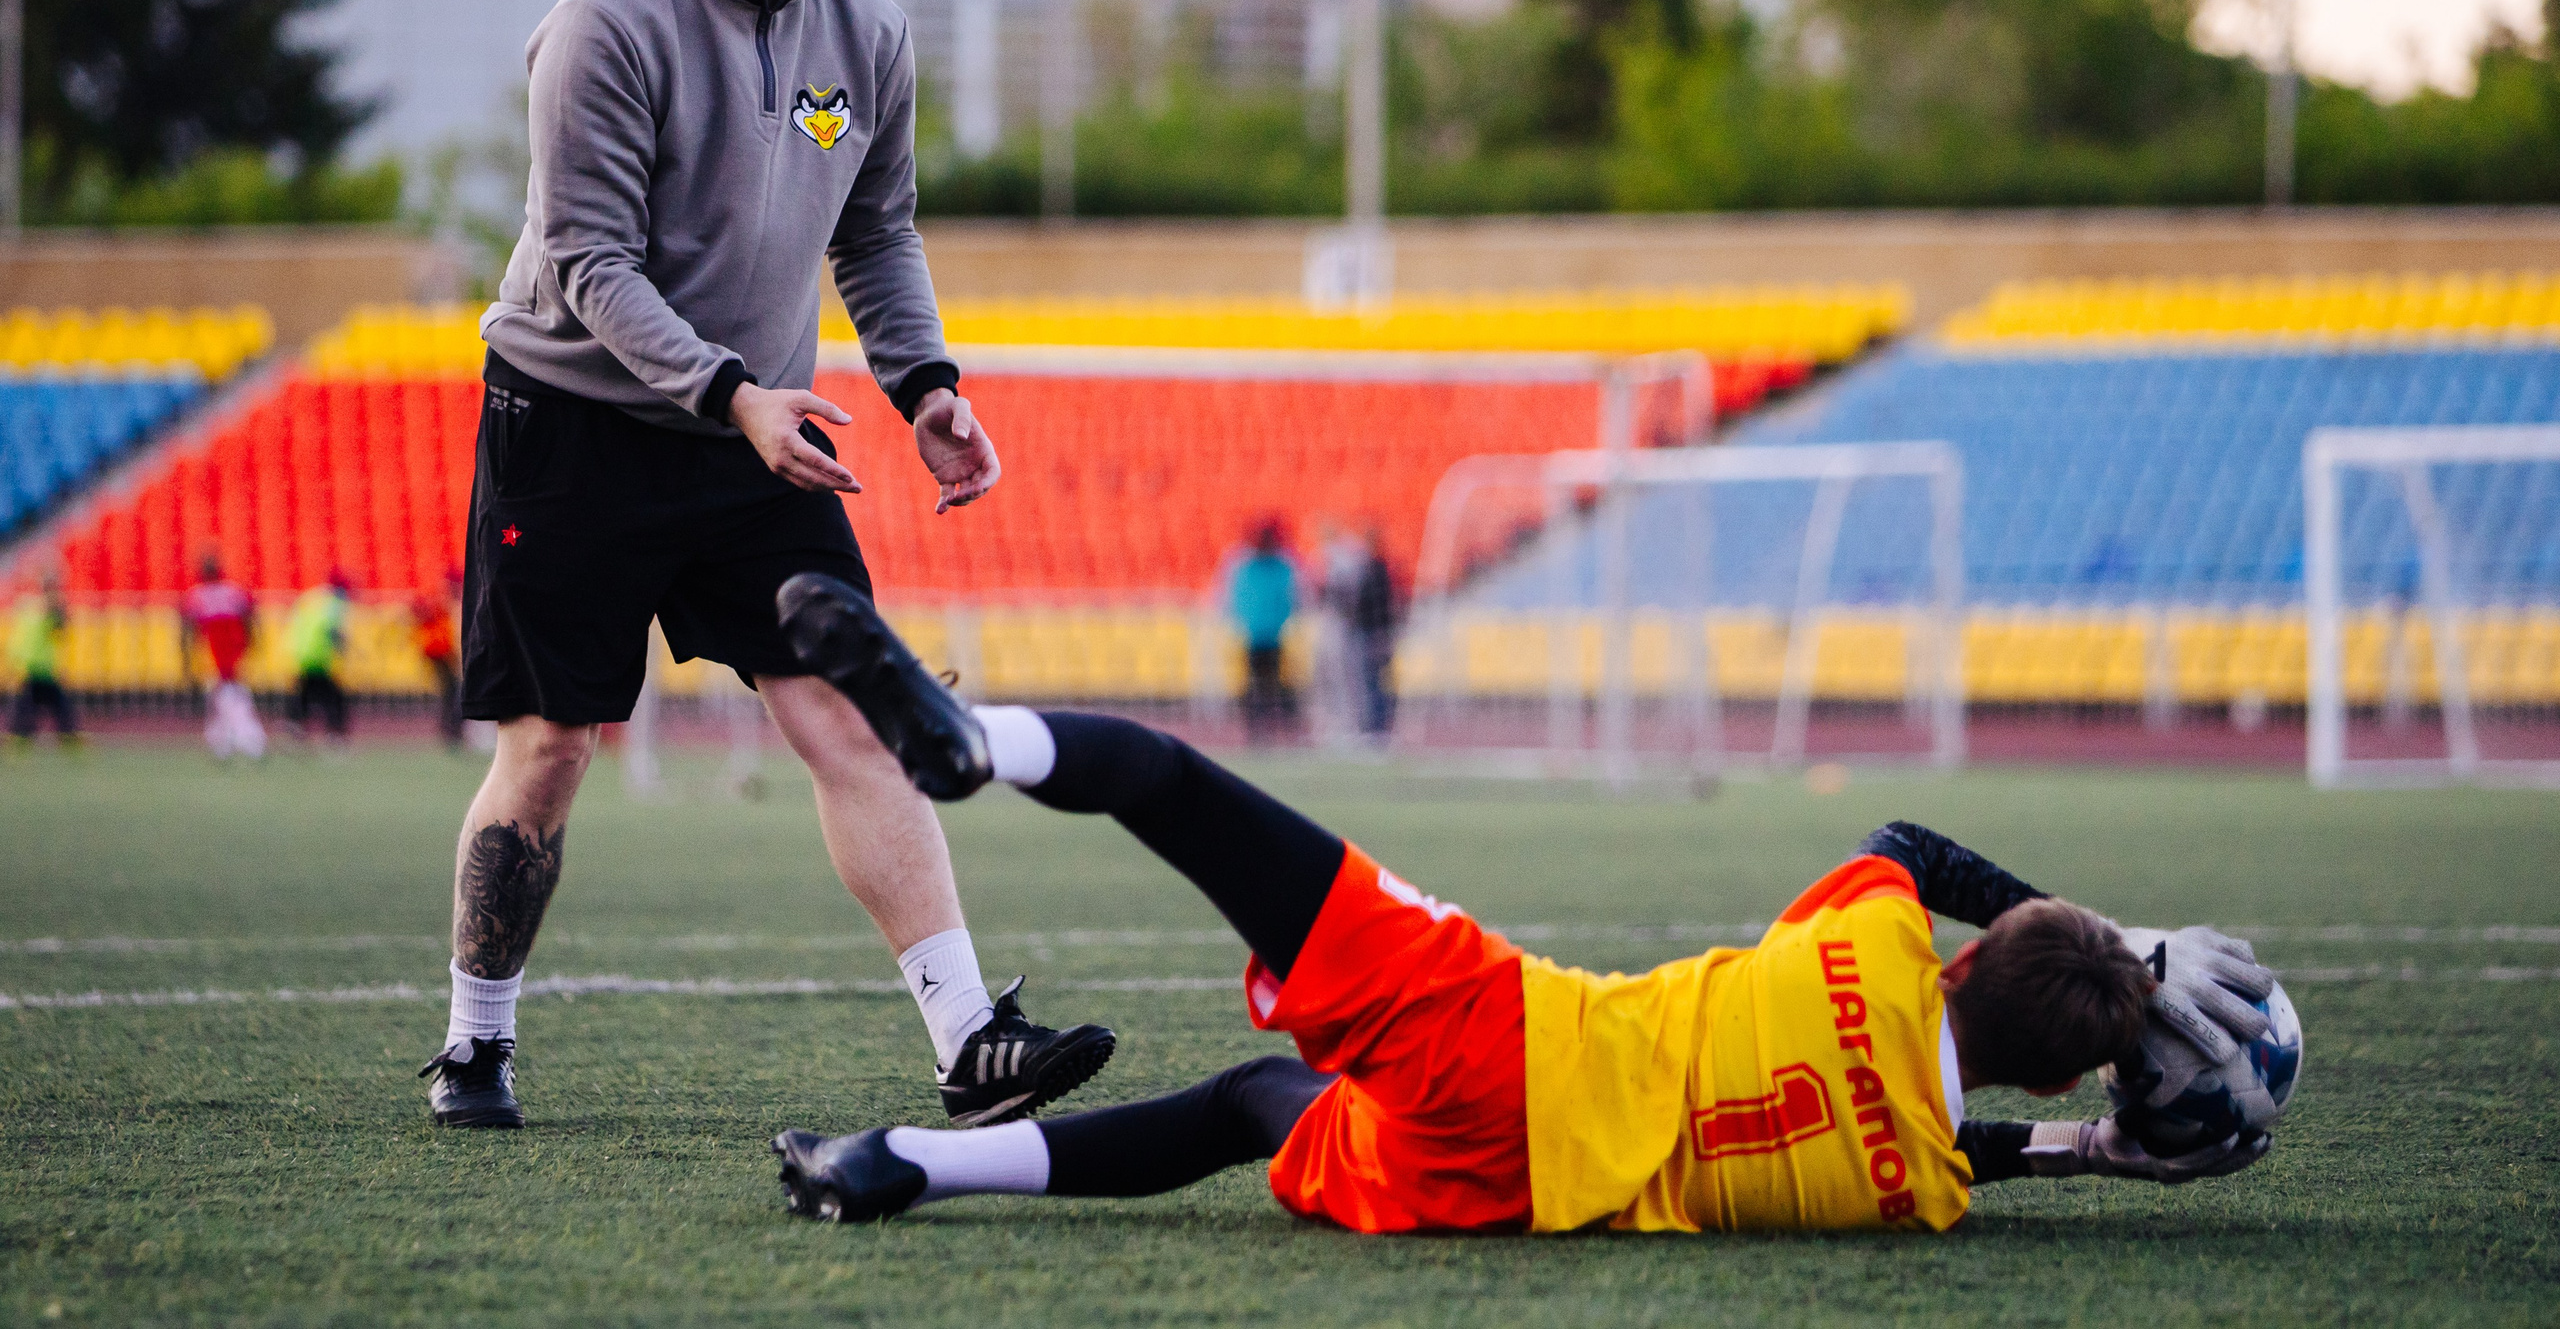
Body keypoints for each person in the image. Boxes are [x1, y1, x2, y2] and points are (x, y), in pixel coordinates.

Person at [769, 576, 2280, 1234]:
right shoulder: (1923, 1184)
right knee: (1249, 1104)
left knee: (1174, 782)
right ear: (2057, 1072)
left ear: (1967, 947)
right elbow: (1980, 1139)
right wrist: (2100, 1141)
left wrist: (2128, 942)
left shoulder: (1873, 937)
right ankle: (908, 1161)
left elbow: (1909, 841)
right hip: (1502, 1189)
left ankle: (983, 746)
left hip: (1503, 1032)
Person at [416, 0, 1113, 1134]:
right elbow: (593, 265)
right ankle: (475, 1039)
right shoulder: (604, 24)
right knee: (553, 748)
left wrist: (924, 383)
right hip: (578, 430)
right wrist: (731, 389)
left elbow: (875, 225)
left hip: (754, 437)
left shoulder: (866, 30)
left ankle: (970, 1037)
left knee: (851, 715)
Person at [181, 552, 263, 760]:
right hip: (228, 652)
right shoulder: (233, 591)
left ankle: (242, 742)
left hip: (218, 654)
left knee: (226, 699)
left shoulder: (197, 595)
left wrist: (188, 660)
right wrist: (253, 643)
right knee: (230, 698)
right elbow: (251, 619)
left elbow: (187, 630)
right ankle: (234, 742)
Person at [1228, 519, 1298, 743]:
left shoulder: (1281, 566)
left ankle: (1271, 727)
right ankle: (1256, 728)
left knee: (1272, 684)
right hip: (1254, 635)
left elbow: (1290, 598)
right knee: (1254, 684)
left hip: (1274, 635)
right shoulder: (1245, 566)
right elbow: (1238, 600)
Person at [6, 570, 78, 748]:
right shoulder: (40, 607)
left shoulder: (31, 606)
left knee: (48, 704)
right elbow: (59, 622)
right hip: (33, 666)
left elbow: (60, 626)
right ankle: (21, 739)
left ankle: (66, 737)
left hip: (40, 666)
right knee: (32, 705)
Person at [284, 573, 353, 744]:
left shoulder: (311, 598)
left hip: (303, 653)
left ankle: (295, 724)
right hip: (320, 655)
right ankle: (334, 734)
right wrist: (343, 647)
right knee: (332, 696)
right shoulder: (334, 604)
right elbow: (333, 630)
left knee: (308, 692)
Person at [1345, 523, 1399, 739]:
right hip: (1371, 631)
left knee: (1373, 679)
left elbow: (1376, 605)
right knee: (1371, 679)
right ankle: (1374, 724)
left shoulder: (1376, 569)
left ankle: (1378, 726)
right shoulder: (1372, 568)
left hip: (1373, 632)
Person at [412, 571, 463, 751]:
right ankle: (452, 732)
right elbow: (417, 610)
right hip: (442, 653)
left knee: (453, 693)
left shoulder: (449, 602)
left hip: (446, 654)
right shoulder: (443, 601)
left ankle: (452, 731)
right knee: (453, 693)